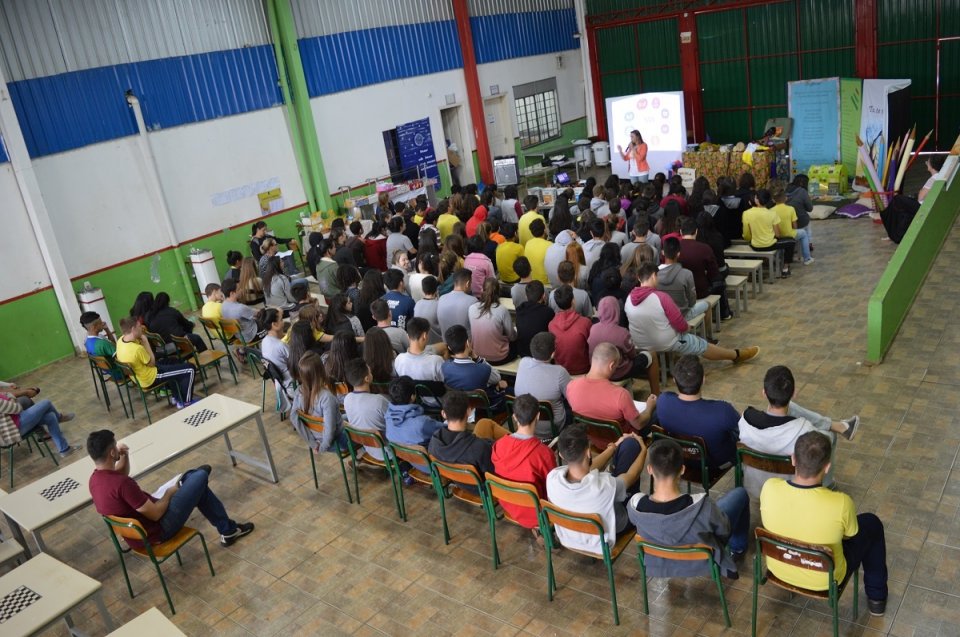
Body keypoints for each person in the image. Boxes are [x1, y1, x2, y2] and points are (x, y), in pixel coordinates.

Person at [760, 431, 888, 616]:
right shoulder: (841, 502)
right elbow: (849, 535)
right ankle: (877, 598)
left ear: (793, 459)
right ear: (827, 467)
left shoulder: (769, 487)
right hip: (825, 579)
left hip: (779, 568)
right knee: (871, 523)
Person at [87, 429, 254, 548]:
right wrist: (168, 494)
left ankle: (228, 530)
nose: (118, 448)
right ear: (111, 453)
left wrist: (124, 455)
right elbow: (155, 514)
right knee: (200, 476)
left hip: (136, 536)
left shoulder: (94, 480)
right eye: (115, 447)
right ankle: (188, 481)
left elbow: (119, 476)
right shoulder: (123, 484)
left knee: (198, 488)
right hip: (159, 529)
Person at [628, 439, 748, 579]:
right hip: (702, 563)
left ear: (649, 469)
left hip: (658, 564)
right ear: (682, 470)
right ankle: (737, 549)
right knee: (740, 494)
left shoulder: (635, 506)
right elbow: (724, 530)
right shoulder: (703, 506)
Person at [738, 365, 859, 493]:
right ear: (794, 393)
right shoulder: (803, 430)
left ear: (764, 392)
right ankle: (827, 485)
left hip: (753, 489)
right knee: (830, 436)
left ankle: (837, 426)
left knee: (790, 408)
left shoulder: (745, 418)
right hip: (788, 490)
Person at [625, 263, 759, 364]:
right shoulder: (661, 297)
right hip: (665, 342)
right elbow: (680, 324)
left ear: (639, 278)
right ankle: (735, 355)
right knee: (700, 344)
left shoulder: (629, 299)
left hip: (640, 343)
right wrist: (686, 328)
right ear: (654, 275)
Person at [546, 424, 648, 554]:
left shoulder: (552, 478)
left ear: (561, 455)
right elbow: (632, 476)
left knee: (615, 474)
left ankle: (612, 469)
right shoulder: (603, 486)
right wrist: (643, 449)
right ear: (589, 452)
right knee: (637, 496)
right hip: (601, 542)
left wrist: (613, 448)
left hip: (568, 538)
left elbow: (587, 468)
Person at [654, 355, 739, 471]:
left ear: (674, 380)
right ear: (703, 380)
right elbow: (742, 429)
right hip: (714, 466)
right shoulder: (723, 410)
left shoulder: (663, 401)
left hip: (677, 460)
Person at [491, 393, 557, 533]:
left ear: (514, 417)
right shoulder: (543, 454)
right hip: (536, 513)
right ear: (538, 416)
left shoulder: (498, 445)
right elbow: (552, 488)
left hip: (507, 502)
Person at [567, 343, 655, 434]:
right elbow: (639, 424)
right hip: (623, 439)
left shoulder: (571, 386)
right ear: (611, 366)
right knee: (656, 412)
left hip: (589, 437)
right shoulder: (621, 395)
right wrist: (650, 407)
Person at [116, 317, 196, 409]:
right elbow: (152, 363)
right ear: (133, 329)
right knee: (190, 369)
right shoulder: (137, 349)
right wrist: (146, 342)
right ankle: (186, 402)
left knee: (173, 361)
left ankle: (177, 397)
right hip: (150, 378)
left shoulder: (120, 341)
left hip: (139, 376)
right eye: (139, 326)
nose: (141, 327)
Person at [428, 390, 510, 479]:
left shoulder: (434, 441)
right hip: (480, 485)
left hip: (458, 478)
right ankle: (518, 441)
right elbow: (494, 475)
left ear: (443, 414)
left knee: (484, 423)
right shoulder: (479, 448)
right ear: (469, 411)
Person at [588, 297, 659, 394]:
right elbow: (632, 355)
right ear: (617, 310)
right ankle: (655, 394)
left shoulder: (593, 329)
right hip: (619, 373)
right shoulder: (622, 332)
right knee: (652, 354)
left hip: (599, 371)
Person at [514, 332, 571, 436]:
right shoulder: (560, 372)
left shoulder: (523, 362)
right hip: (551, 427)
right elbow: (572, 398)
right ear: (553, 354)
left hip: (524, 423)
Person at [290, 351, 347, 453]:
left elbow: (294, 418)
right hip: (336, 442)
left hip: (317, 438)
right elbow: (330, 429)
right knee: (365, 430)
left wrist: (313, 444)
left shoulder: (298, 392)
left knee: (348, 416)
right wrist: (322, 448)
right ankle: (358, 455)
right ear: (321, 370)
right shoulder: (327, 398)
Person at [441, 325, 508, 411]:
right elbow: (497, 377)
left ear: (449, 348)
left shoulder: (445, 367)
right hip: (484, 410)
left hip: (459, 407)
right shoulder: (483, 369)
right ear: (467, 343)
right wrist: (477, 358)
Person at [0, 392, 78, 457]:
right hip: (13, 431)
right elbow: (17, 408)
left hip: (14, 424)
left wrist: (9, 397)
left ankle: (65, 450)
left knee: (51, 417)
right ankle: (59, 418)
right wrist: (11, 397)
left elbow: (8, 398)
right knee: (46, 402)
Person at [343, 360, 390, 460]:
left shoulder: (347, 399)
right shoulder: (379, 401)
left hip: (368, 448)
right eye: (370, 372)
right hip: (389, 453)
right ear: (367, 378)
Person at [742, 189, 793, 278]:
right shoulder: (772, 214)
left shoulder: (746, 213)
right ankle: (785, 268)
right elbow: (777, 235)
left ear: (756, 200)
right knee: (791, 241)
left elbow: (746, 234)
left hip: (755, 245)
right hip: (769, 245)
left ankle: (754, 272)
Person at [468, 277, 516, 366]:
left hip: (477, 356)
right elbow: (512, 336)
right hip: (499, 357)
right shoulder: (502, 310)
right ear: (499, 293)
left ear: (482, 290)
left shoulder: (471, 308)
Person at [657, 237, 708, 321]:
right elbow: (692, 302)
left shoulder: (654, 274)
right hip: (683, 315)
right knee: (706, 304)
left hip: (662, 316)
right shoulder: (687, 274)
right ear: (678, 254)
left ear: (663, 252)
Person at [547, 285, 592, 376]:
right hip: (582, 369)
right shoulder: (585, 323)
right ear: (573, 301)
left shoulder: (551, 325)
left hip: (560, 369)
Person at [393, 317, 445, 385]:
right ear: (424, 335)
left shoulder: (399, 359)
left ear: (408, 336)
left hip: (407, 392)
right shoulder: (437, 361)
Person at [514, 281, 554, 359]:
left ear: (526, 296)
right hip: (540, 353)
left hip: (523, 352)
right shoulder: (548, 311)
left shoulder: (519, 309)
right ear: (544, 296)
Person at [437, 269, 476, 338]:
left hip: (446, 341)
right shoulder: (473, 301)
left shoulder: (441, 299)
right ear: (467, 284)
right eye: (471, 283)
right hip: (466, 343)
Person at [785, 174, 815, 264]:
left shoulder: (785, 189)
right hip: (800, 222)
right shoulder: (802, 192)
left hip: (786, 223)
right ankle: (809, 244)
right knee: (807, 222)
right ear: (803, 183)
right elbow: (810, 208)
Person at [220, 279, 258, 343]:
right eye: (239, 289)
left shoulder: (223, 305)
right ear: (232, 293)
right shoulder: (240, 308)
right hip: (251, 335)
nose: (241, 290)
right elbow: (257, 313)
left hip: (239, 336)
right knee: (271, 319)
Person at [413, 275, 443, 345]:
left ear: (423, 290)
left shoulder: (417, 304)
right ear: (436, 289)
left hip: (421, 343)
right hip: (437, 343)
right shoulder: (439, 305)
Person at [523, 219, 552, 285]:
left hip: (531, 279)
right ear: (544, 230)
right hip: (545, 282)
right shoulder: (549, 245)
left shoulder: (528, 243)